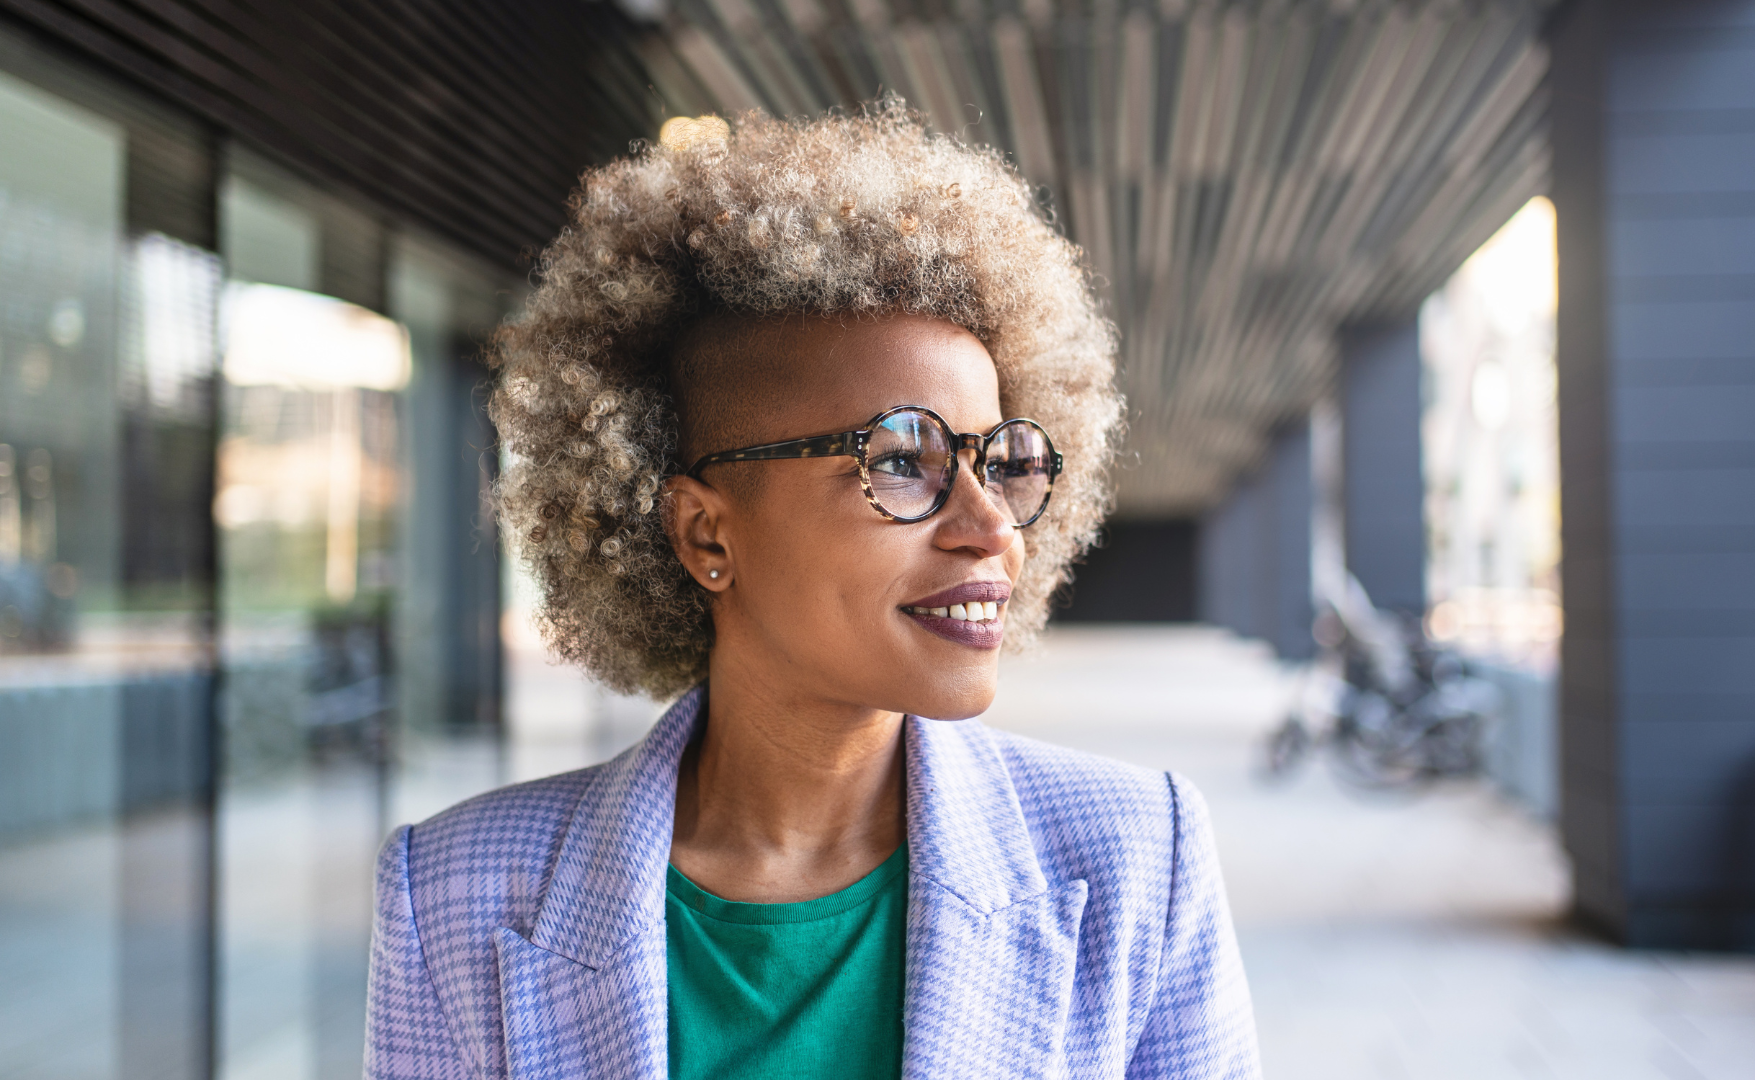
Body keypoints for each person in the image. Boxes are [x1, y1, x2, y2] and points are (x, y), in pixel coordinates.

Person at [363, 101, 1258, 1080]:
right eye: (901, 461)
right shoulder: (454, 896)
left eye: (1000, 461)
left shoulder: (1136, 861)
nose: (994, 526)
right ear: (706, 530)